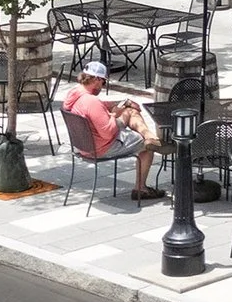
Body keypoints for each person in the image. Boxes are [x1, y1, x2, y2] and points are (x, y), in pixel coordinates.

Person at [61, 59, 164, 200]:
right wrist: (115, 113)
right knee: (146, 147)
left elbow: (99, 107)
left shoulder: (75, 94)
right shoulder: (91, 102)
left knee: (130, 111)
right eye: (104, 82)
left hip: (84, 145)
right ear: (97, 79)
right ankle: (141, 187)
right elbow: (108, 132)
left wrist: (121, 105)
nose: (103, 86)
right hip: (101, 147)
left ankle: (149, 134)